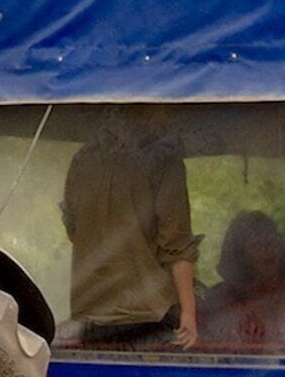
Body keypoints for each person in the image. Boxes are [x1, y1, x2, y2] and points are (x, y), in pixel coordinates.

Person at [59, 109, 198, 346]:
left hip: (92, 315)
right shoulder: (164, 161)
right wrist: (189, 313)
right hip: (151, 316)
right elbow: (176, 244)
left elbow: (73, 230)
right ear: (148, 113)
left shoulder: (82, 160)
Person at [200, 209, 285, 349]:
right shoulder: (222, 296)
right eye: (256, 244)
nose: (267, 249)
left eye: (272, 240)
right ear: (239, 254)